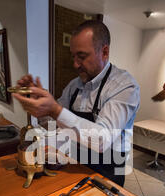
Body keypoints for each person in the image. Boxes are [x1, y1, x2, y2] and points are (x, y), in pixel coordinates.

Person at [13, 20, 140, 187]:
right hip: (76, 166)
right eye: (73, 56)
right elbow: (55, 124)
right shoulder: (74, 86)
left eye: (81, 56)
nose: (75, 64)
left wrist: (55, 110)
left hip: (108, 172)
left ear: (104, 51)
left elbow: (102, 140)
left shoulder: (124, 86)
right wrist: (40, 106)